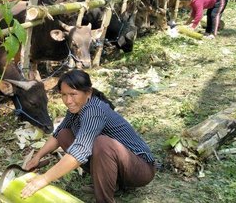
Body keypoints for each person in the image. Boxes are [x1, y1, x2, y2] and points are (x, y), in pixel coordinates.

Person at [21, 69, 155, 203]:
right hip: (120, 165)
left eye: (73, 94)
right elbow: (57, 134)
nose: (68, 101)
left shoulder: (94, 111)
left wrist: (44, 178)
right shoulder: (76, 108)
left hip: (141, 169)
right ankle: (112, 183)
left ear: (88, 92)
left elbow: (80, 151)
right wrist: (37, 157)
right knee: (64, 134)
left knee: (102, 143)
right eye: (64, 95)